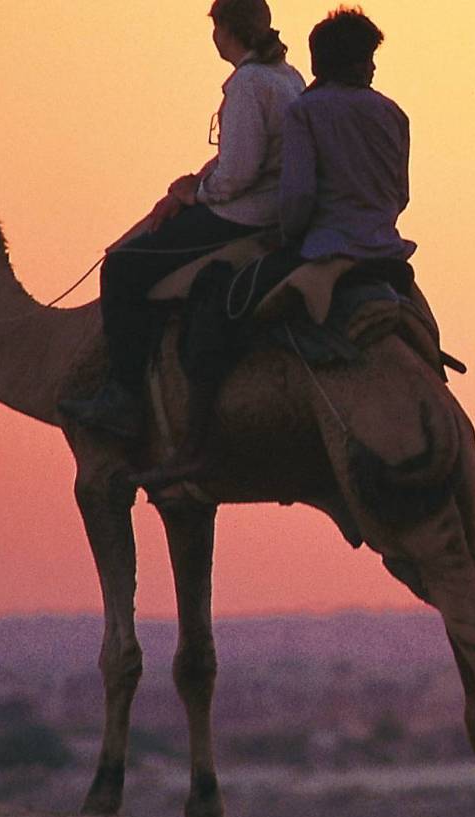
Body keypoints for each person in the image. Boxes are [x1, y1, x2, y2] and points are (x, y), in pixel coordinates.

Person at [132, 6, 415, 488]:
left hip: (323, 248)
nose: (372, 67)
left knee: (218, 298)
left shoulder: (306, 111)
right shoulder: (393, 114)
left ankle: (198, 446)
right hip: (388, 253)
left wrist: (290, 234)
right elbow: (401, 195)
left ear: (321, 61)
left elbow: (297, 199)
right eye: (368, 58)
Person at [61, 0, 304, 440]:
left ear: (225, 29)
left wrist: (196, 194)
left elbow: (238, 174)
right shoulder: (286, 77)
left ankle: (124, 397)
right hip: (271, 208)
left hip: (244, 215)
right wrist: (192, 184)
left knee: (122, 267)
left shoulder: (249, 84)